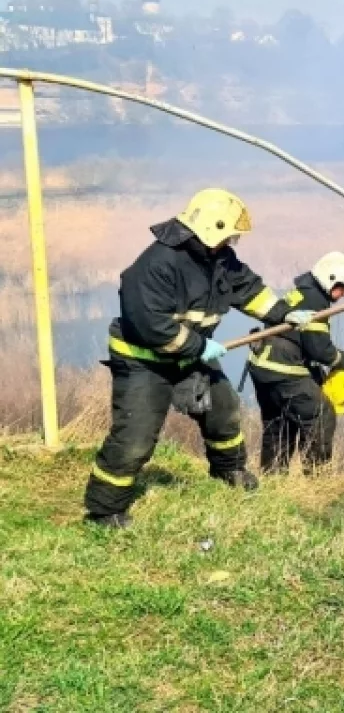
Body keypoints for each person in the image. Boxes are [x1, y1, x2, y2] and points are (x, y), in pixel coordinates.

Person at [83, 189, 316, 528]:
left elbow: (250, 290)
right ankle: (104, 510)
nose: (233, 240)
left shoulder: (219, 259)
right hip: (144, 361)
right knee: (135, 436)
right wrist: (198, 347)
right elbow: (151, 326)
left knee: (224, 408)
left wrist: (283, 314)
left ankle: (228, 470)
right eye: (229, 234)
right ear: (211, 228)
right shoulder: (155, 266)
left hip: (190, 353)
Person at [248, 251, 344, 474]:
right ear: (330, 279)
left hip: (263, 365)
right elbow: (320, 349)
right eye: (342, 287)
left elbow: (303, 341)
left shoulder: (303, 292)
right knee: (321, 415)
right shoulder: (316, 301)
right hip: (283, 368)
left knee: (280, 423)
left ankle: (272, 478)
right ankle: (317, 479)